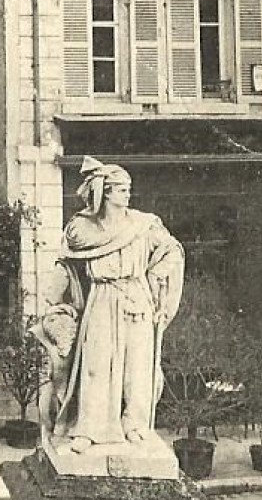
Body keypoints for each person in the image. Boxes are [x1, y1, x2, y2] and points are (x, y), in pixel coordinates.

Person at [36, 158, 185, 452]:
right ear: (105, 193)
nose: (127, 195)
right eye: (121, 190)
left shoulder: (144, 225)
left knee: (138, 367)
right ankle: (88, 429)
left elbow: (172, 250)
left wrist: (155, 276)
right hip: (103, 299)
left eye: (128, 190)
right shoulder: (82, 230)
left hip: (137, 297)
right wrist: (54, 295)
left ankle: (135, 425)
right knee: (96, 364)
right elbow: (67, 262)